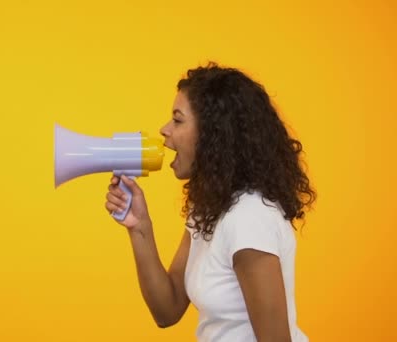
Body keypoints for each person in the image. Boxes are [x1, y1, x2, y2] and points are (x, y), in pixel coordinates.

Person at [104, 62, 316, 342]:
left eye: (178, 120)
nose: (164, 130)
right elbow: (167, 310)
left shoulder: (248, 219)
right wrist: (139, 225)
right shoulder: (208, 210)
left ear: (213, 134)